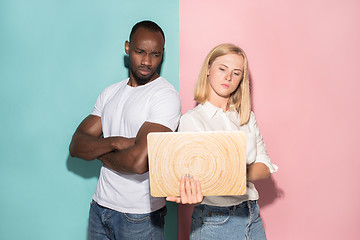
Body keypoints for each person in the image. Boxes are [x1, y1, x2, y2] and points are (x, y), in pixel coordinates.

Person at [69, 20, 182, 240]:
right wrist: (114, 142)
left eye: (155, 55)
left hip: (140, 215)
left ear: (163, 53)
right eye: (140, 52)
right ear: (127, 47)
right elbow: (76, 145)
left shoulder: (164, 96)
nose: (147, 61)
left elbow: (138, 163)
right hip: (100, 207)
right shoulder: (110, 93)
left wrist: (97, 153)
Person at [167, 43, 278, 239]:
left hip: (252, 214)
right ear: (208, 69)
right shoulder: (192, 120)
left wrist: (224, 174)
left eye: (236, 73)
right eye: (222, 69)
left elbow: (265, 167)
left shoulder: (246, 117)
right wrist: (240, 173)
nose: (228, 77)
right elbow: (196, 178)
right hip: (215, 219)